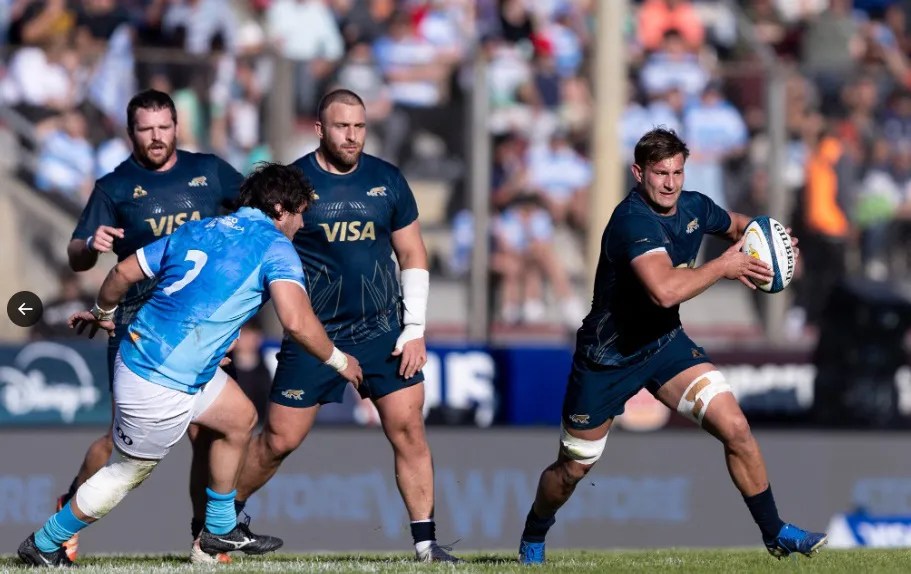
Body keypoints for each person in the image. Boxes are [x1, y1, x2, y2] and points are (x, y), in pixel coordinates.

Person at [18, 162, 363, 567]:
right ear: (280, 208)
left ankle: (218, 530)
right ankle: (45, 541)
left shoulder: (200, 228)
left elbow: (122, 271)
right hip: (160, 380)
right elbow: (297, 321)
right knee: (126, 472)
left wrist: (102, 310)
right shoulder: (275, 246)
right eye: (301, 211)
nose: (302, 223)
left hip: (149, 358)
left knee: (239, 417)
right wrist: (341, 362)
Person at [516, 128, 828, 564]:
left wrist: (774, 245)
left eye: (678, 172)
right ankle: (534, 531)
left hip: (663, 344)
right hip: (607, 358)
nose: (670, 183)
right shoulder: (632, 222)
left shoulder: (695, 207)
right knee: (572, 470)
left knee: (735, 427)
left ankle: (775, 532)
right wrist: (724, 265)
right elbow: (663, 290)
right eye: (660, 173)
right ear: (638, 172)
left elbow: (740, 226)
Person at [230, 89, 459, 563]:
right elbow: (261, 255)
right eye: (341, 127)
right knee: (279, 441)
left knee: (409, 429)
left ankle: (425, 544)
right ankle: (221, 521)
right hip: (315, 333)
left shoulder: (387, 180)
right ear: (320, 129)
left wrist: (414, 327)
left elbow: (412, 253)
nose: (352, 136)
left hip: (383, 331)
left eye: (359, 126)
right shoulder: (293, 185)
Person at [61, 89, 245, 563]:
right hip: (140, 333)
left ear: (177, 126)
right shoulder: (115, 186)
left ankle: (205, 536)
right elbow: (78, 258)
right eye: (146, 129)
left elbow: (253, 223)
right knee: (123, 443)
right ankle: (69, 506)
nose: (157, 137)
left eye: (164, 127)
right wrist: (90, 243)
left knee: (209, 430)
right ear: (131, 133)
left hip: (200, 329)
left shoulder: (211, 172)